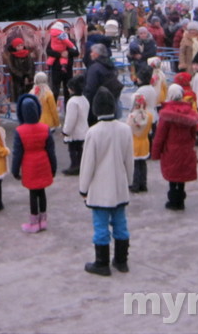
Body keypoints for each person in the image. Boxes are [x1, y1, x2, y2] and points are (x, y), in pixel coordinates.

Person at [79, 87, 134, 276]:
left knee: (100, 225)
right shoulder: (125, 129)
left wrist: (83, 188)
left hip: (100, 188)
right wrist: (129, 180)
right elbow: (130, 159)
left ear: (95, 109)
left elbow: (88, 164)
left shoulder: (93, 132)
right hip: (119, 184)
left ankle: (101, 263)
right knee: (120, 222)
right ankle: (121, 260)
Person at [12, 94, 56, 233]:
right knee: (42, 192)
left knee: (33, 193)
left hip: (29, 164)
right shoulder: (45, 128)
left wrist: (15, 170)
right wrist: (53, 168)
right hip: (43, 162)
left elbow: (17, 153)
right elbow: (51, 151)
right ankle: (43, 220)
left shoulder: (20, 131)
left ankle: (34, 222)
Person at [151, 84, 198, 211]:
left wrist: (155, 153)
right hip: (186, 148)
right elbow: (194, 132)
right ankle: (181, 200)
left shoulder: (166, 114)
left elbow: (160, 135)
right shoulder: (190, 112)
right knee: (182, 175)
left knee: (173, 176)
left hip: (171, 150)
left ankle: (173, 200)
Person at [83, 43, 121, 125]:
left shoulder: (94, 68)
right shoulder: (111, 66)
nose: (90, 54)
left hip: (97, 104)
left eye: (92, 52)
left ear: (96, 54)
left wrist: (86, 105)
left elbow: (90, 88)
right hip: (111, 102)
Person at [61, 75, 89, 176]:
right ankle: (80, 166)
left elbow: (70, 119)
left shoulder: (72, 102)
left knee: (72, 150)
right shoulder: (84, 99)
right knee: (80, 149)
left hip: (74, 132)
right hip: (83, 129)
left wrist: (66, 131)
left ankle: (74, 166)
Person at [126, 93, 152, 193]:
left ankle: (135, 185)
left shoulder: (132, 116)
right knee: (143, 164)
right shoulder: (148, 116)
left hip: (134, 142)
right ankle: (143, 184)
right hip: (145, 141)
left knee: (135, 165)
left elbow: (128, 129)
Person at [4, 37, 35, 102]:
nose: (20, 47)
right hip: (17, 80)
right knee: (18, 98)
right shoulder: (11, 56)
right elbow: (11, 67)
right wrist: (20, 75)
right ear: (15, 47)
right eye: (18, 46)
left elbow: (31, 65)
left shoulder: (27, 54)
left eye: (21, 45)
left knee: (28, 97)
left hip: (28, 80)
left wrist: (28, 75)